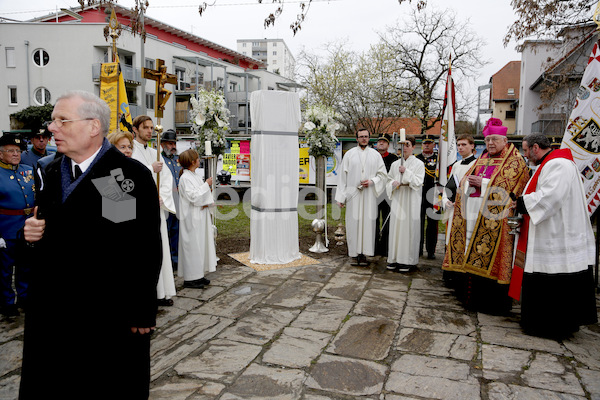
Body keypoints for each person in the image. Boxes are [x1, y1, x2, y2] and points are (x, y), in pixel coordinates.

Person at [20, 90, 161, 399]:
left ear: (93, 127)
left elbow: (136, 246)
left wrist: (141, 309)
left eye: (62, 120)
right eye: (52, 120)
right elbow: (46, 232)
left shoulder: (116, 175)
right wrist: (30, 235)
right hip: (52, 314)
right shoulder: (52, 170)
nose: (52, 128)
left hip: (102, 316)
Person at [513, 134, 597, 338]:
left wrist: (522, 203)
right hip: (551, 228)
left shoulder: (558, 164)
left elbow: (551, 196)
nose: (525, 155)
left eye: (525, 150)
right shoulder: (551, 163)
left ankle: (551, 326)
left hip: (557, 232)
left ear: (535, 147)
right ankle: (544, 323)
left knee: (554, 278)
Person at [442, 118, 529, 315]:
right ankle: (470, 299)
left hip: (497, 222)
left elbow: (511, 188)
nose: (490, 143)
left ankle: (492, 304)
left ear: (505, 140)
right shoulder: (482, 159)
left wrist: (484, 183)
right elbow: (464, 181)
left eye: (495, 139)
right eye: (488, 139)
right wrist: (468, 184)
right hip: (472, 217)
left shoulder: (515, 161)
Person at [132, 115, 177, 307]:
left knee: (160, 250)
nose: (150, 131)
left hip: (155, 206)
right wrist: (150, 169)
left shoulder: (153, 151)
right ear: (135, 129)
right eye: (145, 128)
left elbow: (166, 178)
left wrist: (162, 197)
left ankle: (161, 292)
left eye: (151, 128)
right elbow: (131, 176)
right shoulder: (130, 151)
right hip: (139, 210)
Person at [335, 127, 387, 266]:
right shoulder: (350, 154)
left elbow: (383, 175)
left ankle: (364, 253)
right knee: (353, 223)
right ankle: (354, 253)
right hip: (353, 195)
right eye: (361, 136)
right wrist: (341, 197)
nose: (364, 138)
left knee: (367, 224)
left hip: (369, 195)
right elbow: (342, 177)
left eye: (366, 136)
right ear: (356, 138)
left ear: (369, 138)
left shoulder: (375, 155)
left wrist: (372, 181)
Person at [0, 134, 35, 317]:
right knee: (4, 271)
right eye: (11, 150)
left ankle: (24, 297)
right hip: (5, 229)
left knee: (25, 267)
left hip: (27, 228)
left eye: (18, 151)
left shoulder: (28, 170)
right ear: (0, 154)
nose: (16, 154)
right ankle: (6, 303)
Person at [177, 149, 216, 288]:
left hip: (199, 215)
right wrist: (207, 185)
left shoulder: (194, 175)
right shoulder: (185, 178)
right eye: (198, 159)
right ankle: (190, 278)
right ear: (192, 162)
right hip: (191, 218)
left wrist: (207, 198)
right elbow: (193, 196)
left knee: (200, 245)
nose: (199, 160)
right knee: (192, 247)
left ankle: (198, 274)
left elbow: (200, 194)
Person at [442, 134, 477, 286]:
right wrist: (445, 200)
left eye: (464, 144)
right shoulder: (456, 165)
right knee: (451, 239)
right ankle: (450, 272)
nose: (460, 147)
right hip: (453, 208)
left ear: (472, 146)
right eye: (458, 145)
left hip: (467, 208)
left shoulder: (477, 164)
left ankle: (461, 275)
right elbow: (449, 185)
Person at [386, 135, 425, 272]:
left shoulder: (419, 164)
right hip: (398, 198)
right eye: (402, 145)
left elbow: (418, 181)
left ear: (413, 147)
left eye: (407, 145)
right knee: (396, 229)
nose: (404, 148)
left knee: (409, 229)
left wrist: (406, 172)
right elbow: (388, 180)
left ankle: (408, 261)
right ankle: (394, 258)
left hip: (411, 199)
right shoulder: (394, 164)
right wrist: (392, 183)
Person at [160, 129, 182, 271]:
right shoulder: (159, 160)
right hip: (166, 201)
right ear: (162, 145)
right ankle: (165, 260)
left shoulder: (177, 160)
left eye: (174, 143)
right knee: (165, 231)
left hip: (178, 201)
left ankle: (175, 259)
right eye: (169, 143)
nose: (173, 146)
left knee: (176, 232)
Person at [374, 133, 398, 257]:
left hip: (388, 194)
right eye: (379, 141)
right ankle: (374, 246)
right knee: (374, 220)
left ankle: (385, 247)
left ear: (388, 145)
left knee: (388, 221)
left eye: (384, 142)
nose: (381, 143)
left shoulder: (394, 158)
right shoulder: (372, 157)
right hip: (375, 193)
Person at [416, 134, 439, 259]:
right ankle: (418, 248)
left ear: (434, 145)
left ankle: (431, 250)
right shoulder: (417, 158)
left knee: (432, 225)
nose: (426, 145)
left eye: (429, 143)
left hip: (433, 195)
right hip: (419, 195)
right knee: (418, 222)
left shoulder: (439, 159)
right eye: (424, 143)